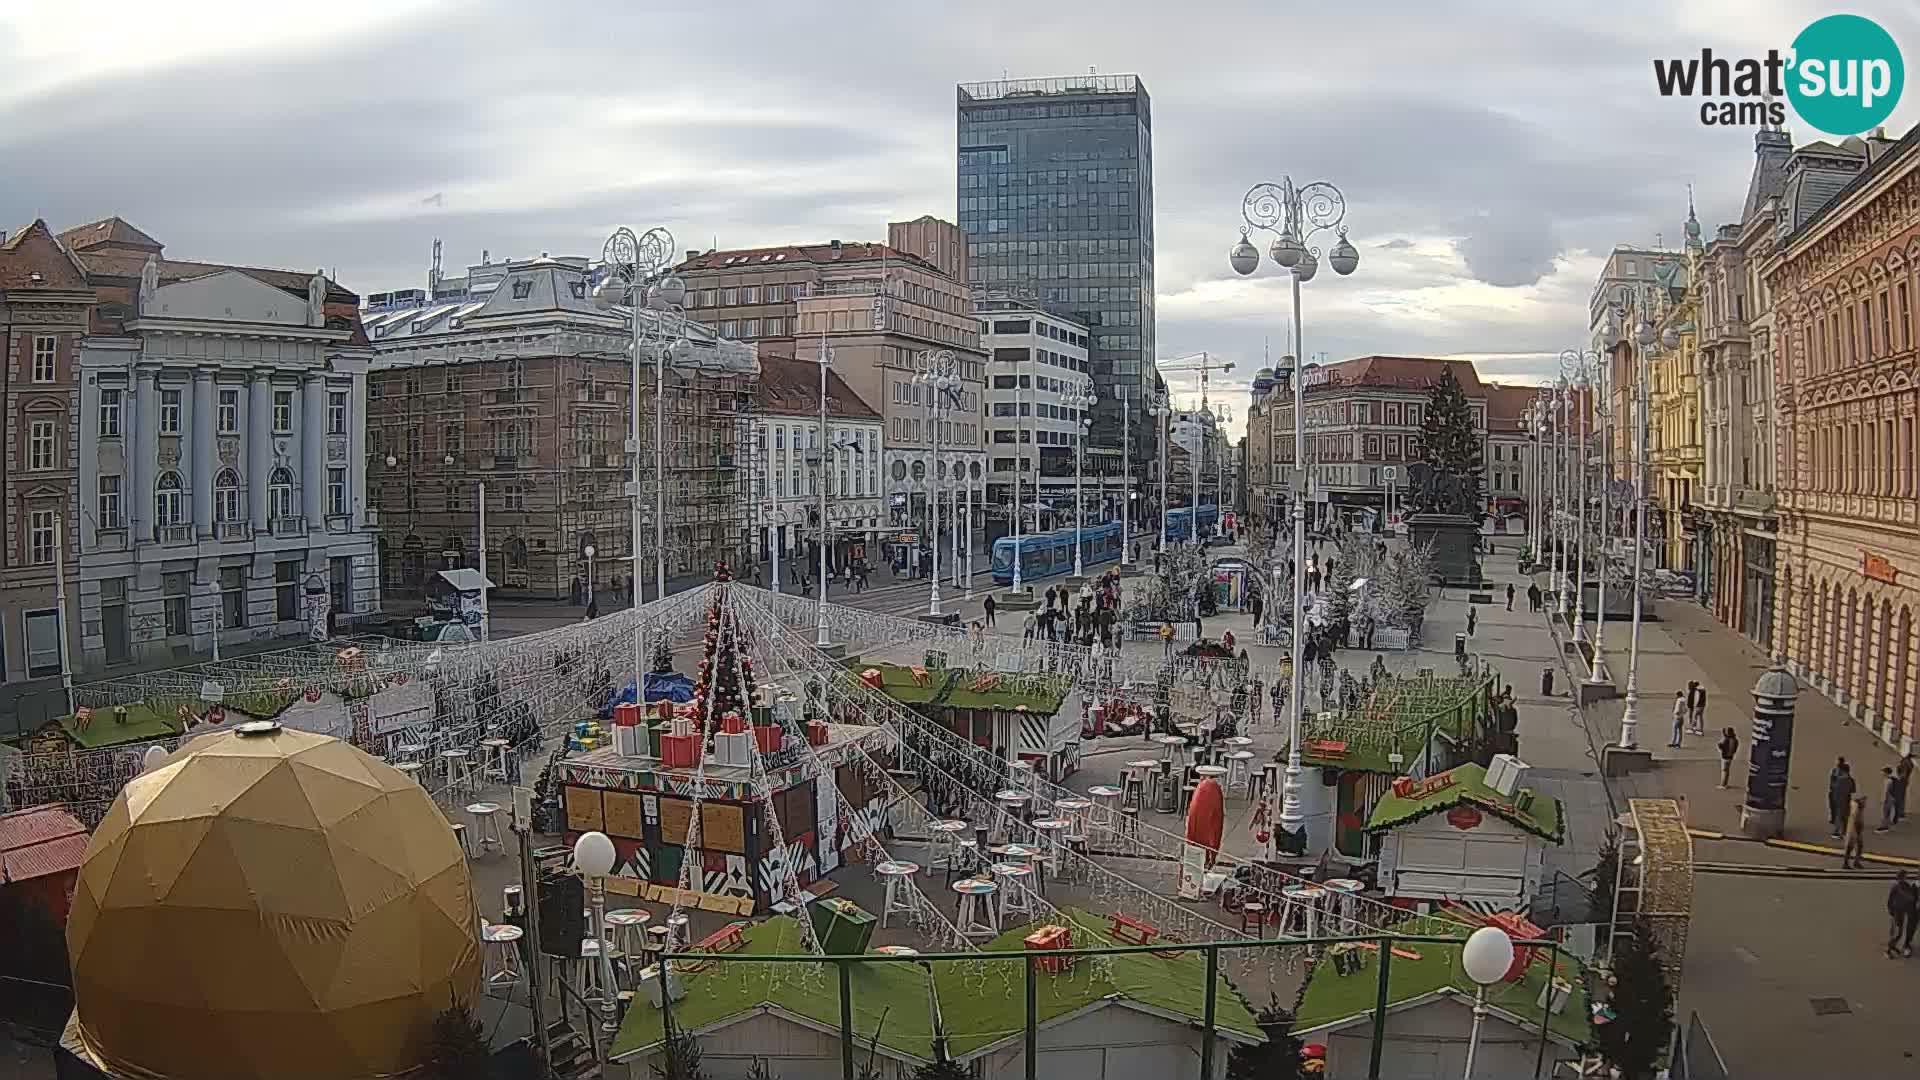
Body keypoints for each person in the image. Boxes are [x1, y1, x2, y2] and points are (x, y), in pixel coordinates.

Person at [1888, 871, 1919, 958]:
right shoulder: (1898, 886)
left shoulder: (1904, 885)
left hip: (1900, 912)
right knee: (1897, 933)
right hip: (1898, 912)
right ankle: (1889, 950)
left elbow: (1890, 900)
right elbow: (1892, 899)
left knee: (1898, 932)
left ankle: (1893, 947)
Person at [1831, 758, 1857, 837]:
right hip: (1847, 799)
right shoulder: (1851, 780)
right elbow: (1853, 790)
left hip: (1839, 799)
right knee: (1845, 816)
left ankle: (1837, 831)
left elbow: (1834, 788)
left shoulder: (1839, 780)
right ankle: (1844, 831)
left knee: (1839, 815)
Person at [1844, 793, 1869, 869]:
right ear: (1859, 800)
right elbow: (1854, 819)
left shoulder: (1859, 807)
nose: (1865, 802)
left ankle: (1855, 862)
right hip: (1854, 829)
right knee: (1851, 846)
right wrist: (1856, 832)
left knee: (1859, 846)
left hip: (1857, 829)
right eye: (1864, 800)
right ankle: (1846, 863)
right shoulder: (1855, 807)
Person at [1881, 766, 1901, 833]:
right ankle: (1889, 826)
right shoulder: (1892, 779)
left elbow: (1886, 791)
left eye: (1883, 772)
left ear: (1886, 772)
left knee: (1887, 812)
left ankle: (1886, 826)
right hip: (1892, 798)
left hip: (1889, 798)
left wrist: (1884, 799)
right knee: (1889, 812)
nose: (1882, 773)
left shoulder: (1888, 780)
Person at [1899, 754, 1915, 825]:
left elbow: (1904, 773)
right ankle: (1901, 813)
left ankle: (1900, 813)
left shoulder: (1906, 762)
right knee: (1901, 797)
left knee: (1900, 797)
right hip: (1904, 781)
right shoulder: (1909, 762)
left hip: (1902, 780)